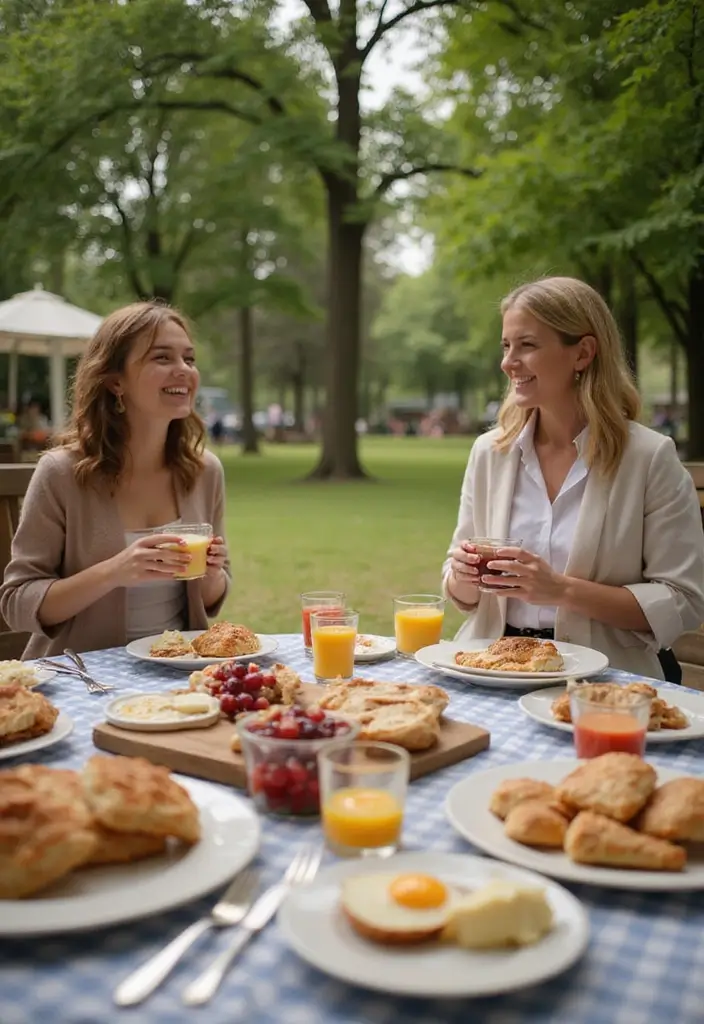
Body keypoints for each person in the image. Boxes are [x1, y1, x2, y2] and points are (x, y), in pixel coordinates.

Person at [443, 276, 704, 681]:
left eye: (527, 345)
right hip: (491, 666)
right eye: (506, 346)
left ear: (582, 353)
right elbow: (463, 594)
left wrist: (560, 590)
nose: (508, 362)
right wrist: (461, 575)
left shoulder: (649, 458)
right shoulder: (490, 453)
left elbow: (684, 601)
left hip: (606, 677)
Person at [0, 302, 230, 658]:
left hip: (178, 673)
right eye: (162, 358)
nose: (183, 370)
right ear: (115, 382)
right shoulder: (61, 473)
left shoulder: (204, 471)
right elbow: (17, 602)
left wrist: (212, 574)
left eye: (189, 358)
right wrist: (114, 572)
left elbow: (212, 596)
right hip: (81, 676)